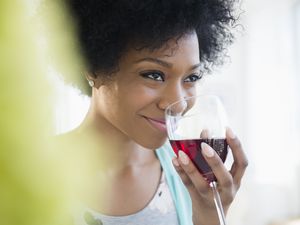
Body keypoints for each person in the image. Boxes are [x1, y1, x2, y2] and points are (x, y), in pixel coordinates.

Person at [62, 0, 248, 224]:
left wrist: (210, 214)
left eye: (191, 78)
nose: (178, 104)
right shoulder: (21, 174)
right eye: (154, 75)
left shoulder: (189, 177)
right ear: (93, 68)